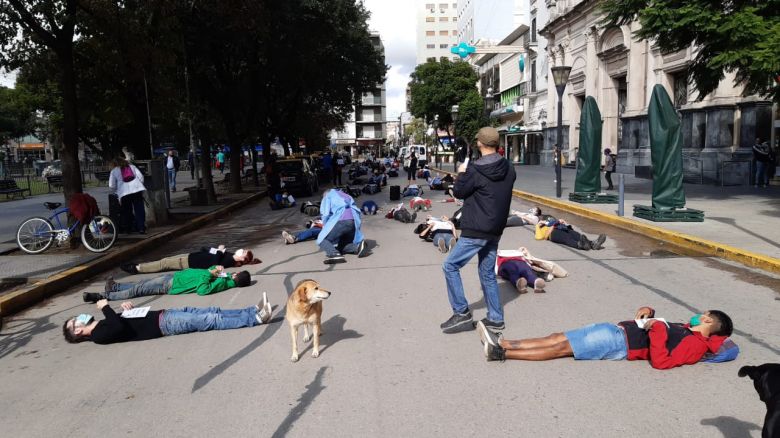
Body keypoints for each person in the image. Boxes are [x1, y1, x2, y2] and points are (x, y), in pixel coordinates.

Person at [476, 307, 734, 370]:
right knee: (556, 337)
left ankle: (501, 353)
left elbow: (662, 361)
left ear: (710, 322)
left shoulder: (695, 345)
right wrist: (649, 314)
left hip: (619, 343)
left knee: (561, 348)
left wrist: (656, 329)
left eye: (704, 315)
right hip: (617, 330)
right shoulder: (688, 331)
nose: (699, 315)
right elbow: (662, 330)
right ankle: (503, 342)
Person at [440, 127, 516, 334]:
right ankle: (495, 318)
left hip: (477, 228)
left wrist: (461, 174)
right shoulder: (509, 168)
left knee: (450, 266)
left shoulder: (474, 169)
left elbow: (459, 192)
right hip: (496, 228)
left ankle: (462, 313)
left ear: (480, 144)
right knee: (486, 272)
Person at [62, 296, 272, 345]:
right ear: (78, 331)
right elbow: (117, 327)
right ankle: (255, 319)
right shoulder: (98, 335)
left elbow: (122, 321)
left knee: (211, 310)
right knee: (210, 319)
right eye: (75, 322)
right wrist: (105, 307)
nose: (77, 319)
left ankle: (250, 310)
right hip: (163, 325)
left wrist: (126, 308)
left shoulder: (99, 324)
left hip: (162, 314)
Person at [82, 266, 252, 303]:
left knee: (138, 290)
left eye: (236, 274)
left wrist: (209, 273)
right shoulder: (226, 277)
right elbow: (210, 272)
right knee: (142, 284)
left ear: (237, 278)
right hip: (177, 277)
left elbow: (203, 290)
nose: (233, 273)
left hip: (173, 285)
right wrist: (215, 269)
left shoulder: (224, 284)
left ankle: (103, 296)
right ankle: (115, 287)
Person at [120, 246, 258, 274]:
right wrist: (216, 250)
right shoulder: (229, 254)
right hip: (191, 256)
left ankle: (136, 268)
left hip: (190, 262)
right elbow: (206, 249)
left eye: (244, 252)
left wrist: (219, 252)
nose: (242, 250)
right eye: (244, 250)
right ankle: (138, 267)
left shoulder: (230, 260)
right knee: (165, 261)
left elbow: (214, 264)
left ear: (242, 258)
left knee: (164, 264)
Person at [316, 189, 368, 264]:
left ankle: (334, 254)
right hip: (353, 222)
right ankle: (358, 247)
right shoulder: (346, 195)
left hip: (342, 220)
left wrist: (326, 227)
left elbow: (325, 214)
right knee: (342, 245)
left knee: (322, 239)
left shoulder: (328, 196)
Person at [109, 157, 146, 234]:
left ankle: (128, 228)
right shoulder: (132, 167)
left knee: (126, 211)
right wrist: (138, 186)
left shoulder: (114, 171)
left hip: (124, 193)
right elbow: (141, 177)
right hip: (136, 191)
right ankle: (141, 228)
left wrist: (116, 192)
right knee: (139, 210)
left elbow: (112, 185)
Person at [535, 217, 607, 250]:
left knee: (576, 234)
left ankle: (593, 244)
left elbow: (569, 227)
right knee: (566, 238)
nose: (545, 220)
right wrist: (538, 225)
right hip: (553, 233)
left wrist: (565, 223)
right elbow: (542, 237)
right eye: (543, 219)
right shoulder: (541, 228)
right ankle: (580, 245)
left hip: (562, 228)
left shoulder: (552, 222)